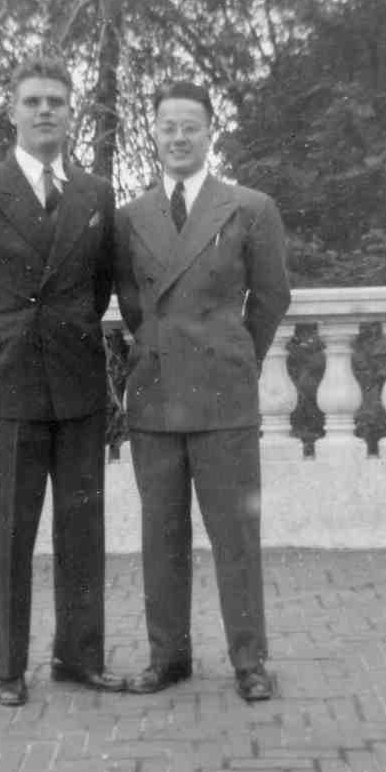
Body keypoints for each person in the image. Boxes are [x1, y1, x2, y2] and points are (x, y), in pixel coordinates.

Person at [0, 55, 125, 706]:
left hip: (77, 388)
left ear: (71, 113)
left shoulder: (95, 195)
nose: (45, 111)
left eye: (56, 102)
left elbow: (98, 290)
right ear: (12, 111)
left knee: (82, 529)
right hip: (7, 390)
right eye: (33, 101)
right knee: (9, 534)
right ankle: (6, 668)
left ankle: (79, 658)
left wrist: (62, 340)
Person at [114, 80, 291, 701]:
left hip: (223, 397)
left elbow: (271, 297)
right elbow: (133, 303)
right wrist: (161, 346)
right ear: (154, 133)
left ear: (210, 132)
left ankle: (249, 662)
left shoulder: (250, 208)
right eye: (169, 127)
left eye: (191, 126)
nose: (180, 138)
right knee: (161, 536)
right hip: (156, 394)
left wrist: (234, 355)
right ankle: (168, 658)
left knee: (235, 536)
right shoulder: (130, 218)